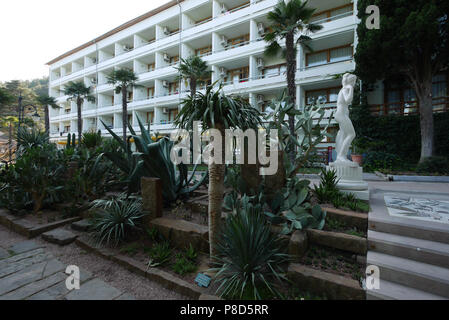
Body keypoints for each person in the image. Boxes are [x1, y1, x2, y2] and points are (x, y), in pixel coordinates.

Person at [334, 73, 357, 163]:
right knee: (351, 134)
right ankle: (341, 156)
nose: (354, 83)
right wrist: (351, 89)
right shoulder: (345, 89)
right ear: (351, 81)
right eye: (354, 81)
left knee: (343, 135)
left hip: (342, 114)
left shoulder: (344, 89)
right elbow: (348, 100)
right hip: (341, 114)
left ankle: (341, 156)